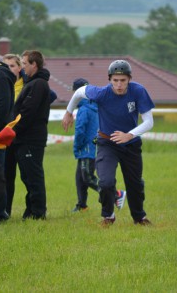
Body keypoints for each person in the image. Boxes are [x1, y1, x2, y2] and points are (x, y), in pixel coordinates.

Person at [62, 59, 155, 226]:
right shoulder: (100, 93)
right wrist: (69, 112)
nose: (119, 85)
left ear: (129, 79)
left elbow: (149, 121)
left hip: (131, 144)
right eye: (115, 80)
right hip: (107, 143)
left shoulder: (138, 91)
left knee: (135, 184)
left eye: (123, 80)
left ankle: (139, 218)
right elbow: (78, 93)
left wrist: (129, 135)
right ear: (109, 79)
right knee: (105, 182)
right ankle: (108, 216)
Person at [69, 78, 127, 212]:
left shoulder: (83, 109)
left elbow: (80, 131)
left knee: (88, 177)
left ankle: (115, 194)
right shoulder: (96, 106)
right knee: (80, 177)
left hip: (86, 149)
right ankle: (81, 205)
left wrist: (77, 147)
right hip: (96, 147)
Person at [12, 50, 51, 220]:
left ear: (34, 64)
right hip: (24, 138)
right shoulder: (32, 83)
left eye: (25, 63)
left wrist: (13, 130)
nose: (23, 67)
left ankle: (38, 212)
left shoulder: (39, 84)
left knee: (33, 175)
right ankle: (30, 209)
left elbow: (27, 112)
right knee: (26, 175)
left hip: (31, 138)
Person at [2, 54, 24, 216]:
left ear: (19, 68)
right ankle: (4, 209)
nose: (9, 69)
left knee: (24, 176)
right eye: (6, 66)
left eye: (12, 65)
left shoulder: (26, 86)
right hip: (3, 137)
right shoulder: (2, 86)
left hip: (21, 138)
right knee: (4, 176)